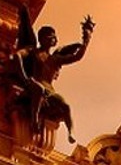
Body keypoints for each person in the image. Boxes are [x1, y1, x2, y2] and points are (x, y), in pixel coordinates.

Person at [12, 10, 95, 144]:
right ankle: (34, 119)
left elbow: (77, 56)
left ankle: (70, 132)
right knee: (39, 89)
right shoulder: (33, 51)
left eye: (53, 37)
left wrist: (86, 39)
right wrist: (24, 78)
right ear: (42, 38)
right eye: (50, 36)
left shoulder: (55, 59)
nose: (53, 39)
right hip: (33, 85)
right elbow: (17, 56)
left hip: (49, 91)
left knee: (66, 106)